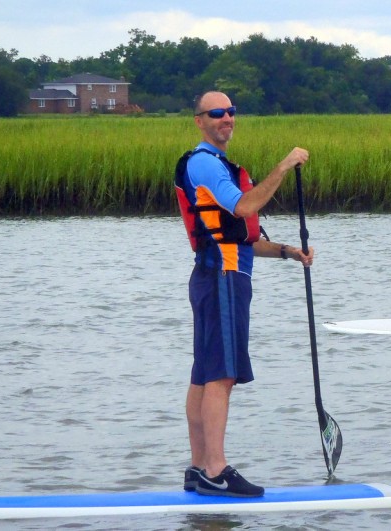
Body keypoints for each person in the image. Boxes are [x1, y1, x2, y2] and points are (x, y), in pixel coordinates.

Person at [174, 91, 313, 497]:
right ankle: (216, 470)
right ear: (200, 120)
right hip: (222, 278)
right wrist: (285, 166)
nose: (226, 118)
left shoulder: (214, 164)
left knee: (205, 373)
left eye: (231, 112)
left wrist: (288, 251)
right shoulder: (203, 163)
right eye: (217, 113)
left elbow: (241, 237)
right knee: (221, 373)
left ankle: (199, 468)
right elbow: (244, 207)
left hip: (218, 274)